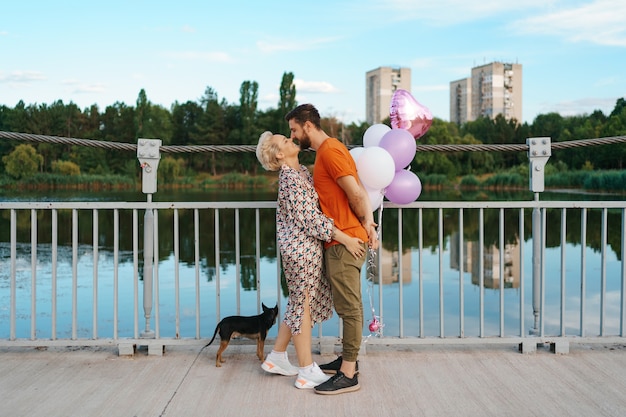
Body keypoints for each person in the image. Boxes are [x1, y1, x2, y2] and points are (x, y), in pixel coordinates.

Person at [256, 131, 366, 390]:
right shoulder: (290, 180)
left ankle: (277, 356)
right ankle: (306, 370)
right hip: (299, 250)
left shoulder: (302, 172)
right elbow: (311, 219)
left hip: (307, 248)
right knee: (301, 304)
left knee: (298, 301)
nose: (291, 140)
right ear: (280, 155)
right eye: (285, 141)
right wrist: (346, 238)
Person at [285, 104, 379, 395]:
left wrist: (367, 224)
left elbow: (354, 191)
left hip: (344, 242)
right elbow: (356, 189)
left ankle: (349, 373)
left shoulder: (329, 151)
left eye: (294, 129)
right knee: (346, 306)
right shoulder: (331, 150)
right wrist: (369, 224)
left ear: (308, 126)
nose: (293, 135)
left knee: (350, 309)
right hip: (342, 240)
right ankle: (347, 361)